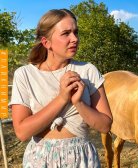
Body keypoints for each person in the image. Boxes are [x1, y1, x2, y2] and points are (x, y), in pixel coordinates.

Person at [9, 9, 112, 167]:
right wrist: (62, 98)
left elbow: (105, 126)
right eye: (66, 33)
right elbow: (22, 132)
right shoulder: (25, 74)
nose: (74, 39)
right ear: (46, 42)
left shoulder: (88, 70)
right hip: (39, 160)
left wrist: (79, 103)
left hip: (82, 159)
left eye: (75, 32)